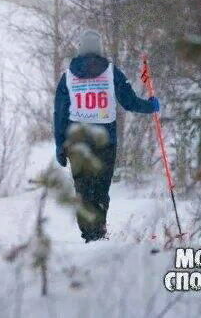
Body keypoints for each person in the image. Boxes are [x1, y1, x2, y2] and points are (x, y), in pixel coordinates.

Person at [53, 29, 160, 243]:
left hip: (78, 142)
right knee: (101, 188)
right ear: (100, 49)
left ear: (80, 49)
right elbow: (129, 102)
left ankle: (89, 235)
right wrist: (150, 106)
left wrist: (59, 145)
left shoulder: (68, 76)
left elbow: (60, 114)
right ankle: (99, 233)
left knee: (83, 190)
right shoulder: (112, 73)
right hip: (106, 142)